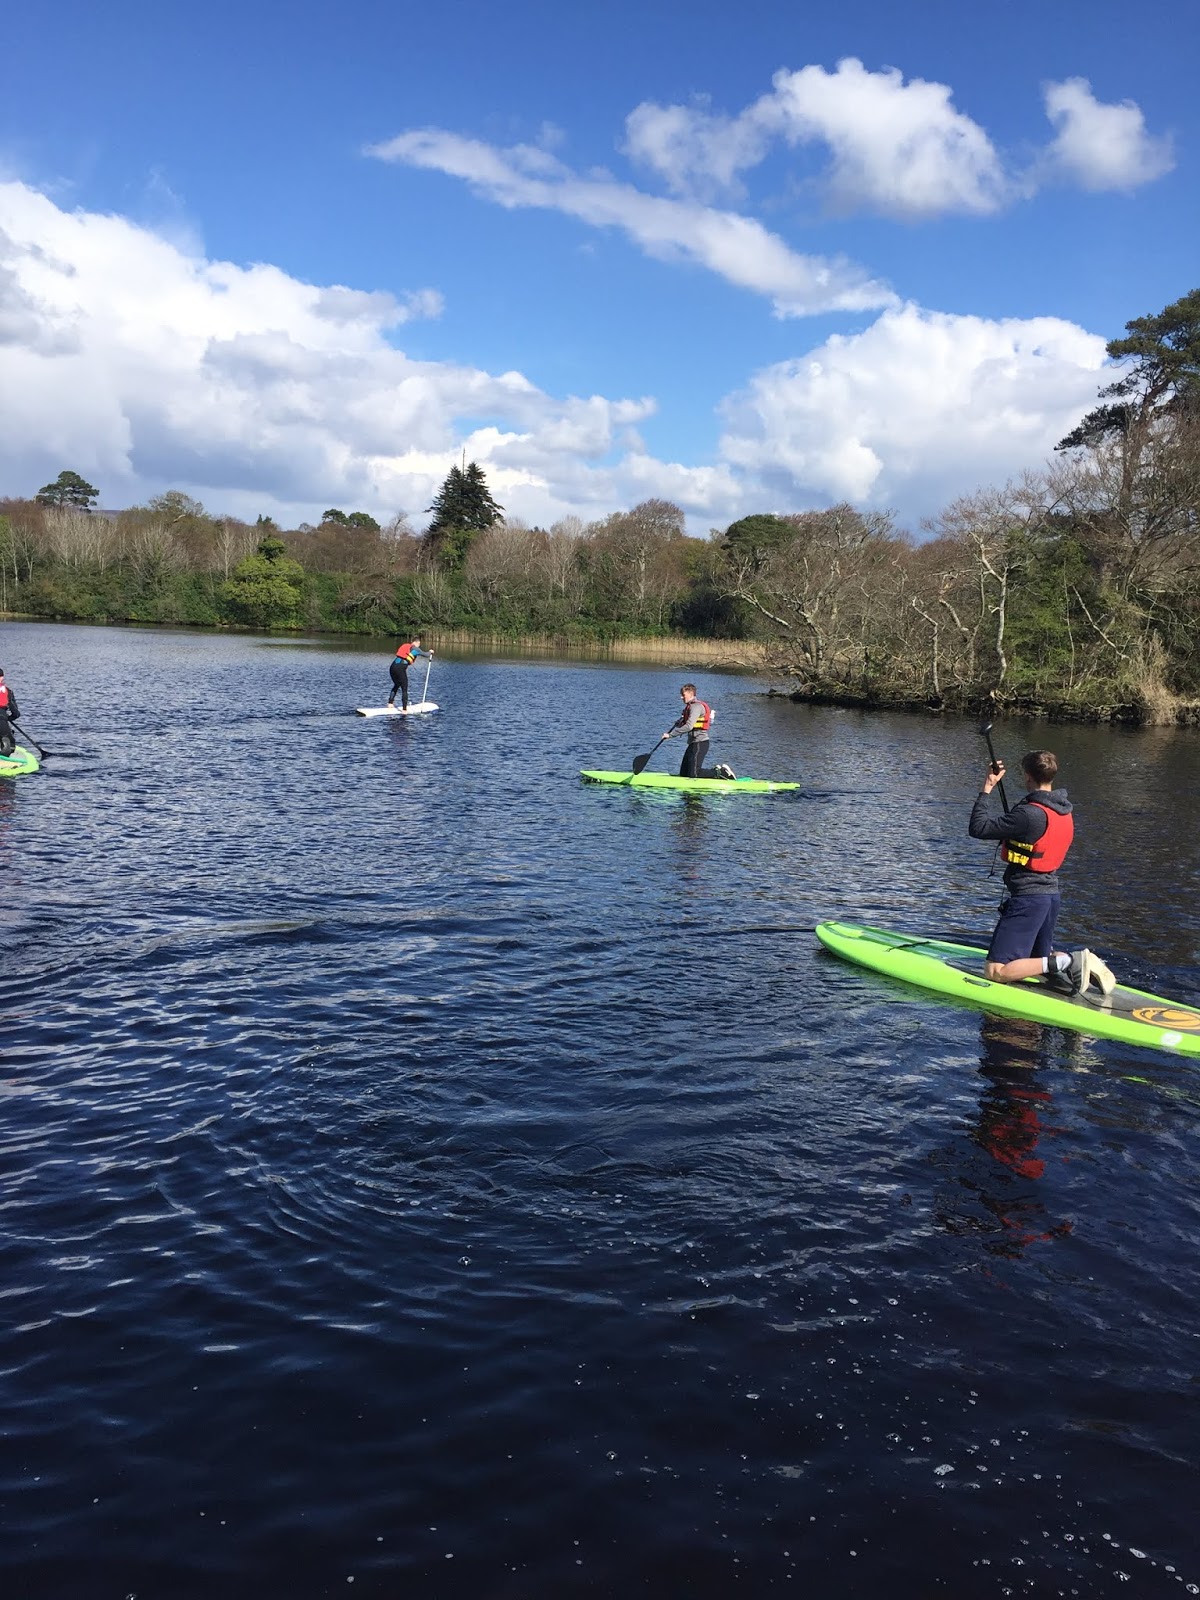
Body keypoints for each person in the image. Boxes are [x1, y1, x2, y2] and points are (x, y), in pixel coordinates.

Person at [968, 748, 1114, 996]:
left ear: (1027, 776)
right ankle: (1081, 962)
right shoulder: (1064, 810)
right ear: (1052, 776)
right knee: (1038, 961)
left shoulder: (1028, 814)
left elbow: (978, 828)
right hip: (1050, 897)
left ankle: (1068, 961)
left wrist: (987, 788)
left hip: (1028, 899)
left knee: (996, 971)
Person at [662, 683, 736, 780]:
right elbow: (688, 723)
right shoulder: (689, 707)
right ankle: (714, 773)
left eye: (683, 695)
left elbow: (689, 726)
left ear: (691, 694)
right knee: (684, 774)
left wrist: (670, 735)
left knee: (694, 774)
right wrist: (680, 723)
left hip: (700, 743)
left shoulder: (696, 707)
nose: (681, 697)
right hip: (693, 743)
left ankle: (721, 772)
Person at [387, 637, 433, 710]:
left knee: (397, 684)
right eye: (419, 644)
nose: (419, 645)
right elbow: (426, 655)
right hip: (400, 668)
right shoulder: (415, 648)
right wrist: (430, 652)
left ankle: (390, 703)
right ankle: (404, 710)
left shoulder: (406, 645)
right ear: (417, 642)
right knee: (404, 688)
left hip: (392, 667)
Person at [0, 668, 20, 756]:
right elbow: (16, 713)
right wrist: (8, 718)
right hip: (1, 717)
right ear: (2, 678)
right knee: (10, 743)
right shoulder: (7, 691)